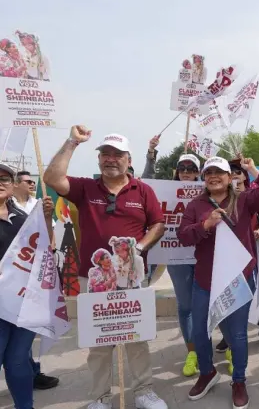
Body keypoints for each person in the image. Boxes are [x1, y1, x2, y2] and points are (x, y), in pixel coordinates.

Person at [43, 127, 167, 409]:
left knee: (137, 337)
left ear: (128, 159)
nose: (110, 159)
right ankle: (100, 397)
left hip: (132, 278)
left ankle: (144, 390)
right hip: (94, 278)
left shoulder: (143, 190)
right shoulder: (86, 188)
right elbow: (51, 178)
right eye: (105, 154)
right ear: (99, 160)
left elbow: (158, 225)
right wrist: (73, 142)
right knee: (98, 342)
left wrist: (140, 247)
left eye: (117, 155)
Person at [177, 156, 259, 409]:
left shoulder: (244, 200)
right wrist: (206, 224)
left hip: (237, 280)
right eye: (208, 172)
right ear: (204, 177)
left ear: (229, 176)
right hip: (205, 280)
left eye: (219, 172)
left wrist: (251, 167)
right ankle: (207, 372)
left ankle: (239, 380)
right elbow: (184, 236)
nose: (213, 177)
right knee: (200, 330)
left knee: (238, 334)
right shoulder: (196, 205)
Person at [142, 142, 203, 376]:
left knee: (210, 302)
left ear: (199, 171)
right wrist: (151, 155)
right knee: (186, 306)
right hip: (177, 257)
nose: (186, 172)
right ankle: (192, 351)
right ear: (176, 171)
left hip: (204, 256)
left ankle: (215, 344)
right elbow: (146, 181)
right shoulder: (164, 189)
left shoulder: (208, 188)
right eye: (182, 168)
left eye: (191, 168)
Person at [0, 163, 54, 409]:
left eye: (5, 178)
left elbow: (44, 247)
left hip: (23, 302)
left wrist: (44, 219)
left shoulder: (21, 217)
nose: (0, 182)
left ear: (12, 185)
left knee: (18, 359)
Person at [215, 159, 259, 374]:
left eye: (238, 173)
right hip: (228, 256)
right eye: (230, 172)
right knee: (230, 298)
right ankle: (228, 337)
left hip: (254, 251)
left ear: (244, 176)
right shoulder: (220, 198)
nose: (234, 176)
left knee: (258, 293)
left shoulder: (252, 195)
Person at [11, 170, 60, 391]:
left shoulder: (40, 204)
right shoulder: (9, 206)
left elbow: (48, 236)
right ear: (16, 184)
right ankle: (27, 373)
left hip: (35, 274)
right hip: (11, 278)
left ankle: (30, 372)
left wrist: (47, 218)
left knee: (27, 329)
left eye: (34, 181)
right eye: (28, 182)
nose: (32, 184)